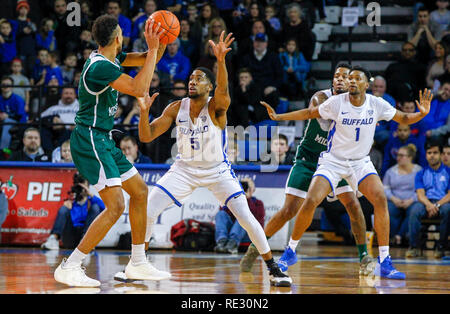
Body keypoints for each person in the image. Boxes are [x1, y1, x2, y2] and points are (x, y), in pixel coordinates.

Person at [121, 31, 292, 287]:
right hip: (184, 169)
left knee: (246, 217)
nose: (192, 81)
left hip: (217, 170)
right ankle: (138, 263)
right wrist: (144, 113)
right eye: (191, 78)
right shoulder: (175, 108)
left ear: (208, 87)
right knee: (148, 209)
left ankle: (272, 267)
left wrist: (220, 61)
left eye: (199, 79)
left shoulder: (216, 107)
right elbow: (145, 137)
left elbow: (224, 90)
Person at [261, 65, 434, 279]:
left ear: (366, 84)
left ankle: (385, 261)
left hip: (360, 162)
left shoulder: (376, 104)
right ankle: (290, 251)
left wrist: (421, 113)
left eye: (356, 78)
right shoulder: (336, 102)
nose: (351, 81)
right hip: (333, 161)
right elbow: (309, 113)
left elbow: (404, 119)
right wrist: (279, 117)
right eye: (349, 78)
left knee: (379, 198)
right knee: (311, 200)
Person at [53, 15, 169, 287]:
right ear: (117, 38)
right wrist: (153, 50)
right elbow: (139, 87)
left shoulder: (112, 57)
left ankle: (137, 262)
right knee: (116, 205)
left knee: (140, 192)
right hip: (90, 138)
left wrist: (162, 38)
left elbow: (146, 59)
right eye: (122, 33)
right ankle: (71, 264)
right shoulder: (99, 67)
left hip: (104, 138)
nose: (124, 37)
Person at [241, 63, 374, 277]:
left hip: (336, 161)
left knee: (353, 205)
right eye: (336, 76)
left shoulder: (359, 104)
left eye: (345, 76)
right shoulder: (320, 97)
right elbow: (324, 122)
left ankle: (364, 256)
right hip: (309, 159)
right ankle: (254, 249)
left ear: (352, 81)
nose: (339, 79)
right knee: (289, 210)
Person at [406, 142, 450, 259]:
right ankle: (414, 247)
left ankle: (441, 247)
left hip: (443, 202)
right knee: (414, 210)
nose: (432, 155)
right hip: (426, 202)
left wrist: (437, 205)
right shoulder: (421, 173)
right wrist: (429, 205)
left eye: (435, 153)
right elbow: (420, 194)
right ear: (425, 155)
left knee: (448, 210)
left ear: (441, 155)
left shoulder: (448, 171)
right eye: (429, 153)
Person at [41, 173, 105, 250]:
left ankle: (87, 242)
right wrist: (69, 205)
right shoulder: (70, 201)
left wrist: (90, 195)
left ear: (87, 186)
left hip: (86, 235)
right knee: (63, 209)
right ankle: (53, 239)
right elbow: (62, 216)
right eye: (79, 186)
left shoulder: (92, 201)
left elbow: (105, 208)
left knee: (96, 207)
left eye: (83, 185)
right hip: (71, 235)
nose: (81, 188)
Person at [383, 144, 422, 247]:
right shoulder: (391, 171)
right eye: (397, 155)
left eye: (401, 155)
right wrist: (393, 199)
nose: (398, 157)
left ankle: (400, 236)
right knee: (388, 210)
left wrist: (411, 200)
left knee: (413, 211)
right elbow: (385, 188)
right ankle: (394, 236)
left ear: (410, 157)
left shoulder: (419, 171)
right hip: (395, 200)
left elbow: (422, 189)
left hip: (412, 200)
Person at [215, 178, 264, 254]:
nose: (244, 188)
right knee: (221, 214)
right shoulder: (231, 200)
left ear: (253, 190)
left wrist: (247, 199)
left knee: (244, 216)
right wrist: (235, 199)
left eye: (247, 187)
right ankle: (222, 242)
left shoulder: (258, 203)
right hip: (230, 233)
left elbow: (255, 218)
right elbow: (223, 210)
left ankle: (232, 244)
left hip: (247, 235)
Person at [40, 86, 79, 153]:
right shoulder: (53, 108)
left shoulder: (81, 108)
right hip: (57, 133)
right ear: (61, 95)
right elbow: (40, 119)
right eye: (66, 93)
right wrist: (52, 120)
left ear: (75, 95)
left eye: (71, 93)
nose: (68, 95)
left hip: (76, 133)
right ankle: (50, 154)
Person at [0, 76, 28, 150]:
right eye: (3, 84)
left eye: (8, 84)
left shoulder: (18, 99)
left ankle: (3, 150)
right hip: (2, 121)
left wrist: (7, 116)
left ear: (12, 87)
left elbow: (20, 116)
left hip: (19, 122)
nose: (5, 86)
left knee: (7, 121)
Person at [423, 79, 450, 145]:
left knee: (436, 139)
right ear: (440, 88)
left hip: (435, 134)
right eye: (445, 89)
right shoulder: (432, 97)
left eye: (449, 91)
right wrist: (437, 92)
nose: (447, 92)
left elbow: (448, 126)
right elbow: (424, 96)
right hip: (420, 128)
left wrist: (432, 132)